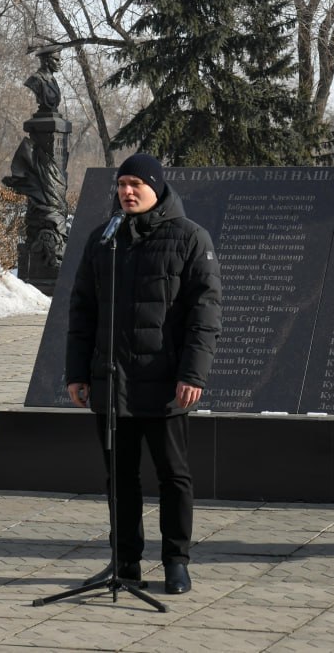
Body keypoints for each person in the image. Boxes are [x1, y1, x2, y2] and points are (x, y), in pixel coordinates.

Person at [65, 153, 221, 595]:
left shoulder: (190, 238)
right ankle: (125, 561)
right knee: (120, 476)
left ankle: (176, 561)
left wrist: (193, 373)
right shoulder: (104, 241)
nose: (127, 192)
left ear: (156, 187)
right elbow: (82, 313)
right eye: (121, 185)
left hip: (167, 382)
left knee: (173, 474)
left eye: (135, 184)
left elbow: (205, 315)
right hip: (113, 382)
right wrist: (78, 373)